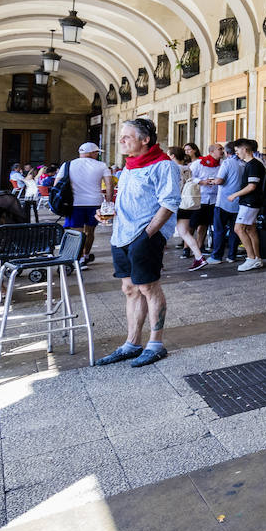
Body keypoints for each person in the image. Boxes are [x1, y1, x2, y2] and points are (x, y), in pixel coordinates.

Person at [94, 118, 179, 369]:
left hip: (145, 236)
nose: (121, 140)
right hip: (121, 233)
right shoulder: (130, 165)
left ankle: (156, 344)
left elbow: (170, 203)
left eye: (127, 137)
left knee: (149, 287)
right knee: (130, 288)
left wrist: (148, 234)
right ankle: (132, 343)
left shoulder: (164, 166)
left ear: (145, 140)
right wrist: (108, 213)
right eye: (121, 136)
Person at [53, 143, 113, 265]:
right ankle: (85, 256)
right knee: (90, 232)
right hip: (95, 203)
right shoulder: (101, 165)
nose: (97, 155)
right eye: (96, 152)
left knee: (77, 232)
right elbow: (109, 185)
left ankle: (78, 259)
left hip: (74, 203)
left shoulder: (67, 165)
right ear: (92, 153)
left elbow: (56, 185)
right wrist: (108, 201)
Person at [226, 138, 266, 271]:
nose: (236, 153)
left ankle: (251, 258)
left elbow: (251, 186)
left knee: (238, 229)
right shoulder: (252, 164)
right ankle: (257, 258)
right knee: (250, 229)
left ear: (245, 149)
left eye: (237, 150)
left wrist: (235, 195)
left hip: (250, 202)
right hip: (251, 202)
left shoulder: (253, 165)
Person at [167, 146, 207, 271]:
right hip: (187, 204)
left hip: (174, 204)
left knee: (161, 233)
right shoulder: (187, 168)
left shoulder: (172, 168)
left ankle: (157, 263)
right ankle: (199, 257)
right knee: (185, 232)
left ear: (172, 156)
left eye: (168, 154)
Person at [208, 141, 245, 265]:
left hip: (223, 202)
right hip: (238, 202)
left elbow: (219, 181)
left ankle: (217, 256)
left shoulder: (227, 163)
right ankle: (231, 256)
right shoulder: (243, 164)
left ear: (226, 152)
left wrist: (212, 181)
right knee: (235, 231)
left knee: (219, 230)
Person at [190, 142, 221, 258]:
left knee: (204, 224)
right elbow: (189, 177)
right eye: (219, 149)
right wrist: (202, 182)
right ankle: (187, 247)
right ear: (212, 152)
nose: (222, 151)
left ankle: (199, 246)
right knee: (192, 224)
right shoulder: (199, 163)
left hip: (213, 198)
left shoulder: (222, 164)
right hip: (200, 197)